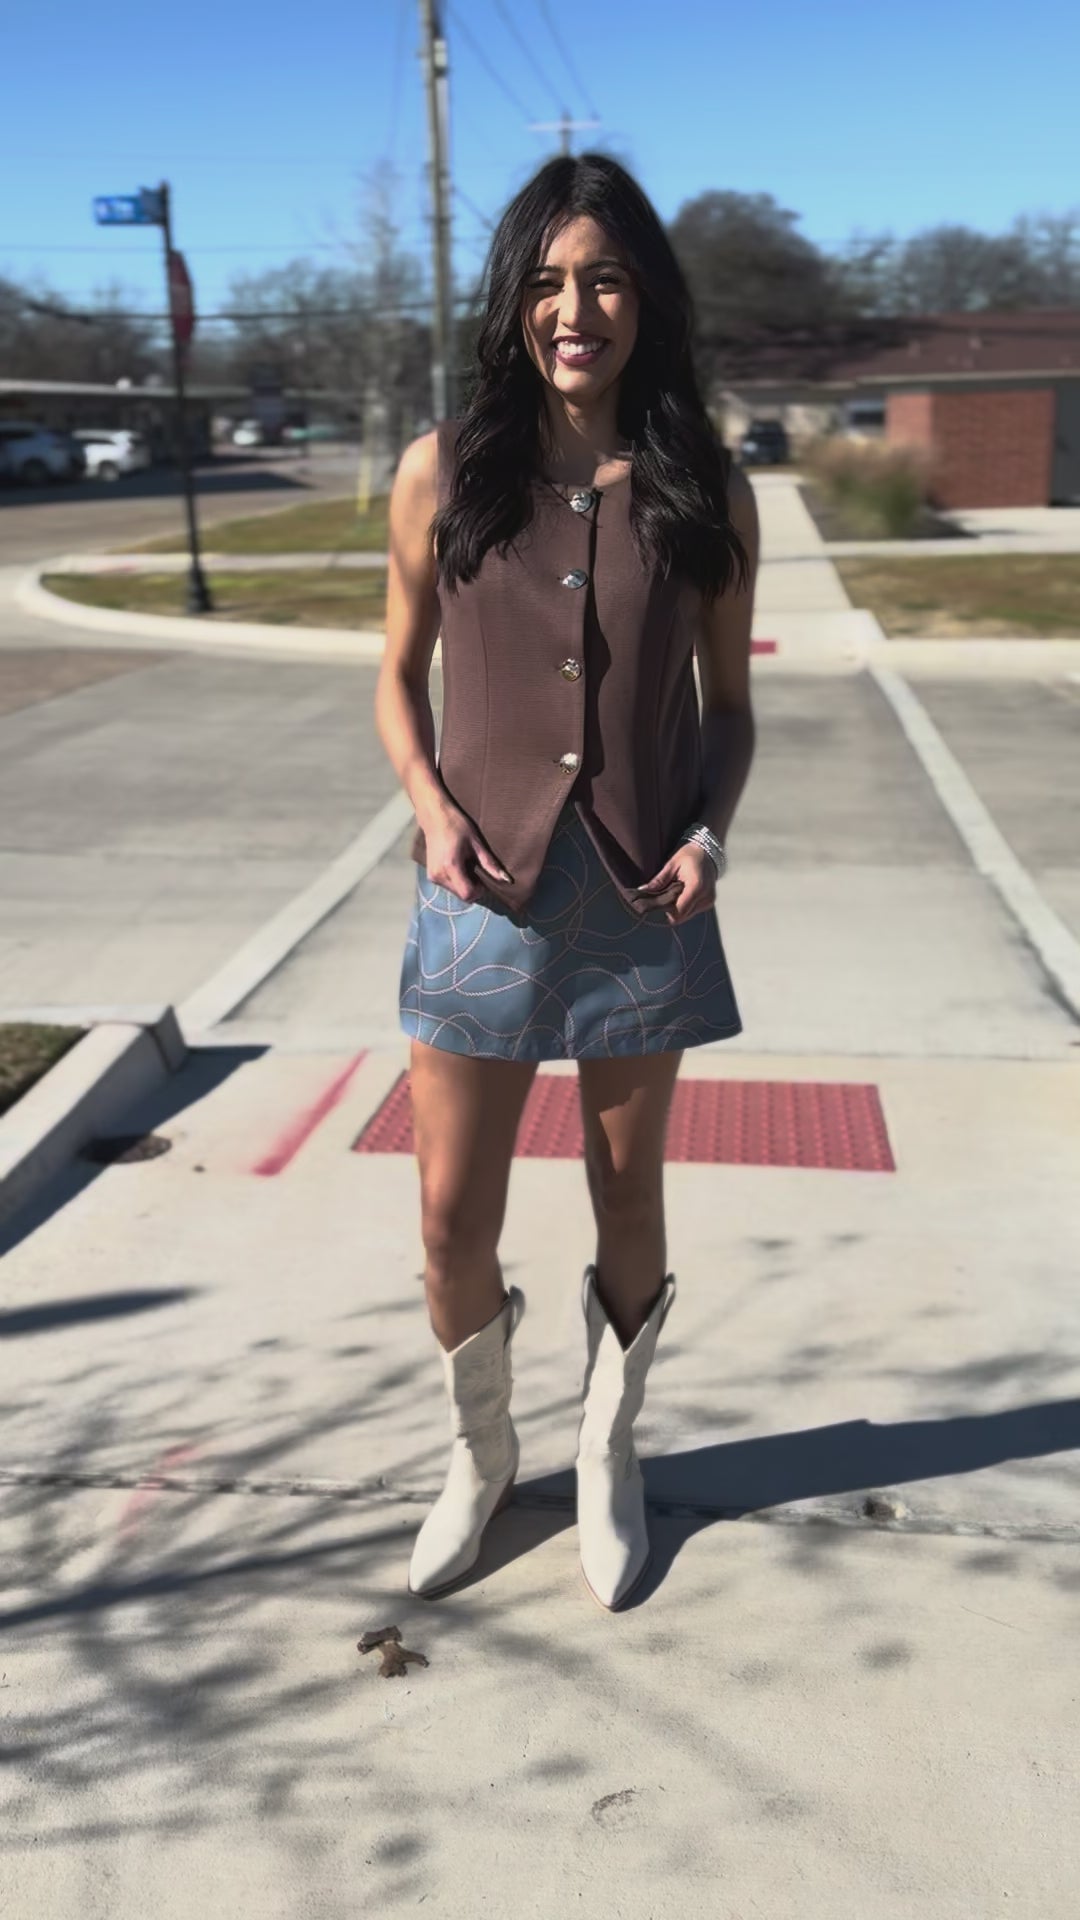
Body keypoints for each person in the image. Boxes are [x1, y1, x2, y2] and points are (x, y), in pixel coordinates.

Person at [375, 153, 759, 1611]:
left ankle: (609, 1457)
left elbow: (731, 712)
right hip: (473, 892)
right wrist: (424, 806)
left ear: (644, 294)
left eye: (599, 276)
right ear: (514, 302)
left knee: (626, 1201)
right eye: (545, 280)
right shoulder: (445, 468)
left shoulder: (704, 486)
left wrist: (711, 832)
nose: (572, 306)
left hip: (638, 905)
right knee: (447, 1223)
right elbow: (394, 680)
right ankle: (481, 1457)